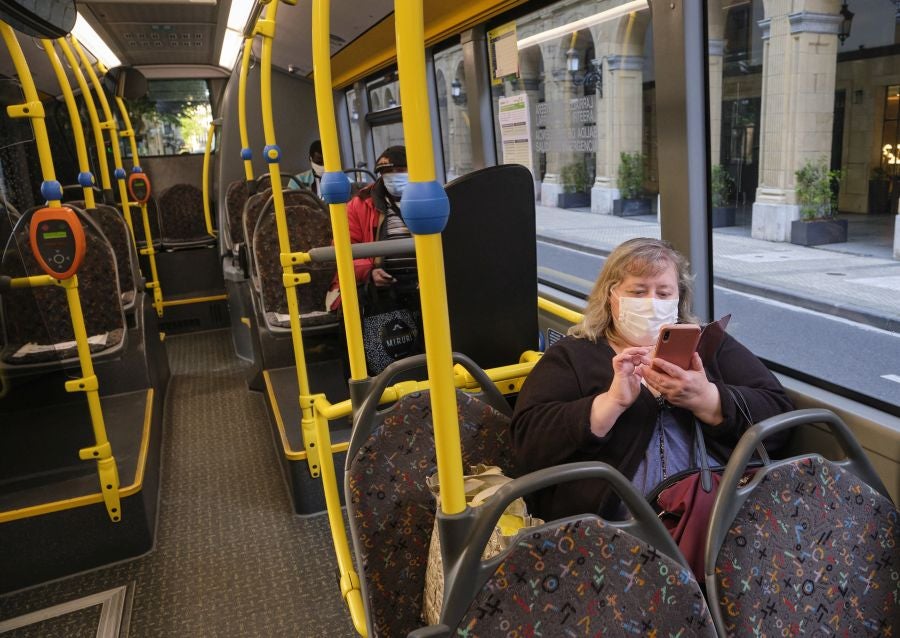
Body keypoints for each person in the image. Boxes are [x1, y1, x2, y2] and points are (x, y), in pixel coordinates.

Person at [510, 238, 793, 521]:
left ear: (678, 299)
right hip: (615, 523)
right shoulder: (574, 355)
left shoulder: (708, 346)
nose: (651, 304)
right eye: (638, 291)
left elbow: (780, 415)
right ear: (611, 296)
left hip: (718, 506)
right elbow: (527, 445)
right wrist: (608, 405)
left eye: (663, 293)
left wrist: (708, 400)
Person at [324, 145, 414, 311]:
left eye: (400, 170)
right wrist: (369, 272)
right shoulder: (359, 205)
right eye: (388, 172)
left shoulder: (431, 201)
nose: (394, 176)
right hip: (379, 284)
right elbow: (343, 249)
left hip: (424, 279)